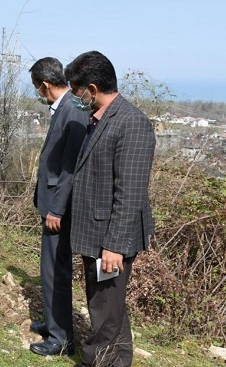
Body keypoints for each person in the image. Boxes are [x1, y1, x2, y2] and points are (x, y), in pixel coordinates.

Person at [64, 51, 156, 367]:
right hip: (96, 232)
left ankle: (96, 361)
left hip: (111, 238)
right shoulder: (99, 118)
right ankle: (119, 361)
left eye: (76, 91)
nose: (75, 98)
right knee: (109, 304)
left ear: (92, 89)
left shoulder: (132, 123)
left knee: (104, 309)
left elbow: (130, 192)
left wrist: (114, 246)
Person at [28, 57, 89, 357]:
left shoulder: (73, 111)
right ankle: (54, 323)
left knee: (56, 271)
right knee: (50, 269)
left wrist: (56, 209)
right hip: (53, 204)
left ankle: (61, 339)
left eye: (36, 88)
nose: (38, 93)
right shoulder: (64, 107)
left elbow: (70, 168)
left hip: (59, 208)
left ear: (45, 85)